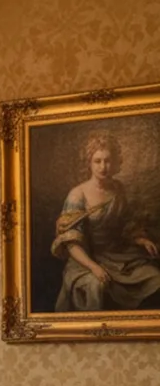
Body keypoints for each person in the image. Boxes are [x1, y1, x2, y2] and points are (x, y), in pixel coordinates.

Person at [52, 133, 160, 311]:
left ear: (116, 163)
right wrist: (94, 267)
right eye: (97, 161)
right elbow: (70, 243)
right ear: (89, 162)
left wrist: (141, 240)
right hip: (84, 260)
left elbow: (124, 226)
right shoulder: (78, 194)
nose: (103, 167)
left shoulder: (118, 189)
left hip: (117, 256)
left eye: (108, 161)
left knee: (155, 277)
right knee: (96, 285)